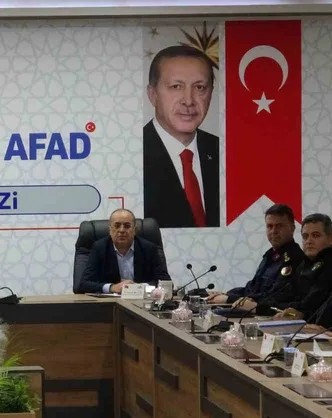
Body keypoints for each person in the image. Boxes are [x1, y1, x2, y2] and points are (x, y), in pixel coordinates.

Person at [143, 45, 219, 228]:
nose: (188, 101)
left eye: (199, 87)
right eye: (176, 87)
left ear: (210, 94)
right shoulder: (133, 153)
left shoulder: (223, 151)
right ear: (152, 95)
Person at [207, 204, 305, 311]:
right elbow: (252, 289)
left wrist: (228, 299)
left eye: (279, 226)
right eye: (270, 226)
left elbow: (276, 296)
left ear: (292, 228)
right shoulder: (270, 256)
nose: (274, 231)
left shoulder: (294, 259)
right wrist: (225, 294)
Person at [76, 209, 171, 294]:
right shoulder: (99, 248)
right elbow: (83, 285)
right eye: (117, 226)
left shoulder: (149, 248)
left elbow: (165, 282)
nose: (121, 230)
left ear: (134, 230)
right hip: (110, 304)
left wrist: (138, 288)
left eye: (127, 226)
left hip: (142, 302)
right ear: (110, 230)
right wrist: (112, 287)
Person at [272, 214, 332, 332]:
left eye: (315, 235)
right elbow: (285, 296)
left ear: (330, 239)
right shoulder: (303, 264)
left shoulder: (329, 264)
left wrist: (301, 313)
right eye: (305, 236)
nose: (309, 241)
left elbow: (311, 303)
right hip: (306, 328)